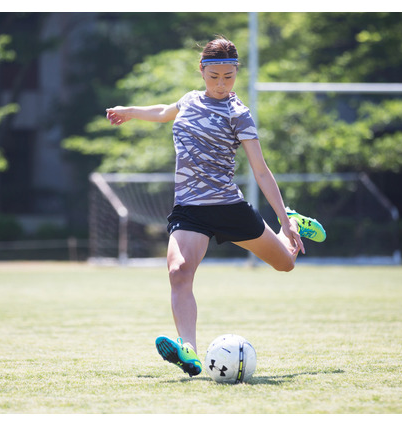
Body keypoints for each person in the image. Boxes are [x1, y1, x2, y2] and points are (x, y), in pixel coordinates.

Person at [106, 37, 326, 378]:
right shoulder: (189, 100)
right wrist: (130, 112)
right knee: (178, 272)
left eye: (228, 76)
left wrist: (284, 219)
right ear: (202, 71)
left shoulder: (239, 114)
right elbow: (164, 112)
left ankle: (291, 224)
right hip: (190, 210)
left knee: (285, 264)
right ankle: (189, 352)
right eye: (214, 77)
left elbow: (261, 170)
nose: (221, 84)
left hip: (228, 206)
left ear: (236, 72)